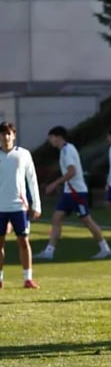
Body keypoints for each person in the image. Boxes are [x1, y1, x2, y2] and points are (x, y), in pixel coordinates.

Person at [34, 126, 111, 261]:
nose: (50, 141)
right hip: (68, 192)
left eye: (51, 138)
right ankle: (49, 251)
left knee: (87, 221)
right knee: (56, 218)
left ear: (58, 137)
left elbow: (72, 172)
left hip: (77, 192)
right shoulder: (64, 150)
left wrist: (54, 184)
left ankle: (105, 248)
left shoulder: (68, 150)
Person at [0, 122, 41, 288]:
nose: (5, 137)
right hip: (0, 207)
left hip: (19, 206)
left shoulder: (23, 154)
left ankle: (28, 278)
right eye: (2, 134)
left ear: (14, 135)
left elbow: (32, 179)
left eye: (8, 133)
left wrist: (36, 204)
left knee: (23, 241)